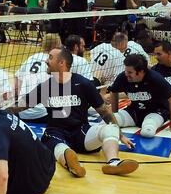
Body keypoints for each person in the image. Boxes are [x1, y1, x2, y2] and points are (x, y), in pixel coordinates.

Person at [9, 47, 138, 178]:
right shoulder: (45, 87)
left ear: (62, 63)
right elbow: (20, 106)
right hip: (56, 132)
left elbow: (104, 112)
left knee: (111, 128)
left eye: (51, 58)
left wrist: (120, 135)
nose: (46, 61)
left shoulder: (83, 84)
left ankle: (114, 162)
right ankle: (73, 165)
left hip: (80, 132)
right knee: (59, 147)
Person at [108, 53, 171, 138]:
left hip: (155, 112)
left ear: (141, 72)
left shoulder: (155, 78)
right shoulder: (123, 77)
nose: (126, 74)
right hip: (134, 112)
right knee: (108, 121)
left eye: (130, 72)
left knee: (147, 132)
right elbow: (113, 92)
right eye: (126, 71)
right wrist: (115, 112)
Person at [14, 33, 62, 123]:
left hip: (21, 112)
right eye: (60, 44)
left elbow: (17, 82)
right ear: (54, 46)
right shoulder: (54, 61)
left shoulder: (31, 58)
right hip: (41, 113)